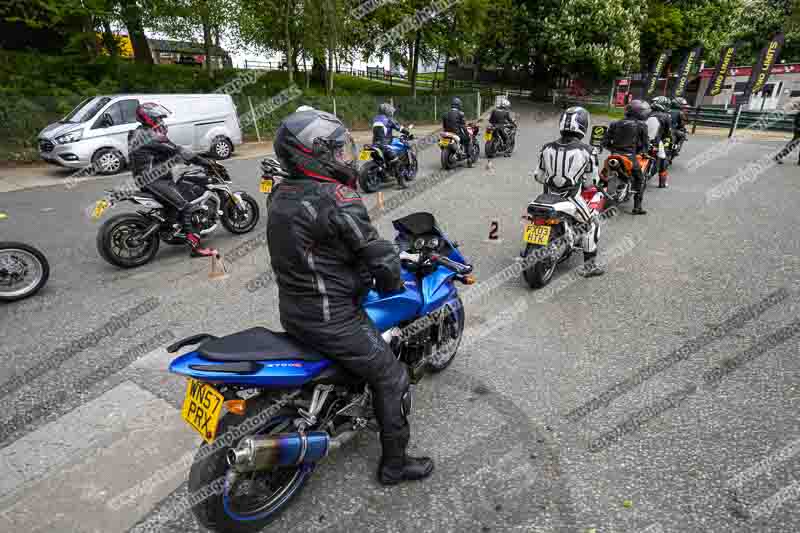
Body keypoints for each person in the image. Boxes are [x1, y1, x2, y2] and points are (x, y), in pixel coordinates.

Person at [267, 109, 434, 486]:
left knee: (362, 362)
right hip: (333, 318)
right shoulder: (336, 196)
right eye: (338, 150)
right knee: (391, 377)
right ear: (315, 153)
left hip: (294, 310)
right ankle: (395, 465)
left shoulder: (280, 192)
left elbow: (318, 246)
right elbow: (375, 252)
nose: (345, 157)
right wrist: (392, 284)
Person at [128, 102, 217, 257]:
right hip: (154, 181)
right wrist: (204, 162)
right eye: (159, 119)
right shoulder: (150, 136)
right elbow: (177, 150)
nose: (162, 122)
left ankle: (174, 230)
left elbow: (163, 154)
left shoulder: (140, 133)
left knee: (174, 206)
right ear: (149, 119)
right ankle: (196, 248)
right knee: (187, 207)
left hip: (150, 179)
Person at [533, 106, 605, 277]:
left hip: (547, 196)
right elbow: (591, 182)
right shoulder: (589, 151)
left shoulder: (546, 148)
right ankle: (589, 267)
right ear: (583, 126)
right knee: (591, 224)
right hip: (571, 198)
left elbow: (539, 176)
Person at [603, 99, 651, 215]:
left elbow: (605, 142)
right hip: (629, 157)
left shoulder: (614, 123)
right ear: (639, 112)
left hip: (614, 156)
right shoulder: (641, 125)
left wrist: (613, 150)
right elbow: (645, 145)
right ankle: (637, 207)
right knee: (640, 179)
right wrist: (644, 153)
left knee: (603, 176)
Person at [371, 102, 407, 173]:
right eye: (390, 110)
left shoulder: (375, 119)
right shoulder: (389, 119)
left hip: (375, 143)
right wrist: (407, 132)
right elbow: (399, 128)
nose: (391, 112)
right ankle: (398, 174)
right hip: (385, 144)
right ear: (387, 111)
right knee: (396, 159)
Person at [650, 96, 673, 188]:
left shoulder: (645, 113)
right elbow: (668, 133)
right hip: (655, 141)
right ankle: (662, 183)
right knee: (663, 158)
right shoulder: (666, 116)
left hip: (640, 140)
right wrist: (667, 140)